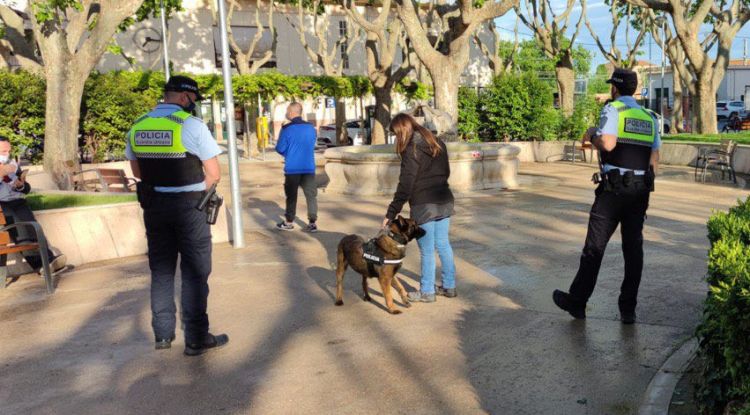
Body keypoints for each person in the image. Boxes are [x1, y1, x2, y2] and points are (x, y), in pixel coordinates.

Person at [125, 75, 228, 356]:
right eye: (193, 99)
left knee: (161, 270)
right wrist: (194, 193)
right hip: (189, 207)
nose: (193, 104)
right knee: (195, 272)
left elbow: (138, 173)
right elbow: (214, 174)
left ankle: (162, 334)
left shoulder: (138, 125)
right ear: (184, 97)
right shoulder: (191, 126)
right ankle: (196, 337)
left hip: (154, 206)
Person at [552, 68, 660, 325]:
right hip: (639, 190)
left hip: (613, 192)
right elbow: (655, 159)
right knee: (633, 250)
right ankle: (628, 310)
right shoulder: (649, 117)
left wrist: (592, 135)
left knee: (594, 247)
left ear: (616, 88)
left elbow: (608, 144)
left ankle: (577, 302)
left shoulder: (613, 110)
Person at [382, 113, 456, 303]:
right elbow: (446, 171)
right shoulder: (437, 141)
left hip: (424, 205)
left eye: (396, 134)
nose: (396, 139)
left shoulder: (411, 148)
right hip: (444, 199)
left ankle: (427, 291)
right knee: (443, 244)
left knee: (427, 250)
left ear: (402, 130)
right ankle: (449, 286)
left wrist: (391, 212)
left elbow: (406, 184)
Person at [0, 136, 66, 275]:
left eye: (8, 151)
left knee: (34, 231)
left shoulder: (13, 164)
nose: (7, 154)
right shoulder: (7, 167)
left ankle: (50, 260)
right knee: (22, 236)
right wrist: (3, 172)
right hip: (3, 205)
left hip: (18, 201)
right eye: (3, 151)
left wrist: (20, 184)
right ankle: (42, 266)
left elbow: (27, 188)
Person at [275, 102, 319, 232]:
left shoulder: (287, 129)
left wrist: (289, 153)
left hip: (292, 168)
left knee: (291, 196)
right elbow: (312, 144)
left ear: (293, 112)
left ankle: (289, 222)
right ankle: (312, 223)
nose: (287, 113)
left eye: (288, 111)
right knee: (311, 196)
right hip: (308, 168)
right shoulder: (311, 128)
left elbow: (280, 148)